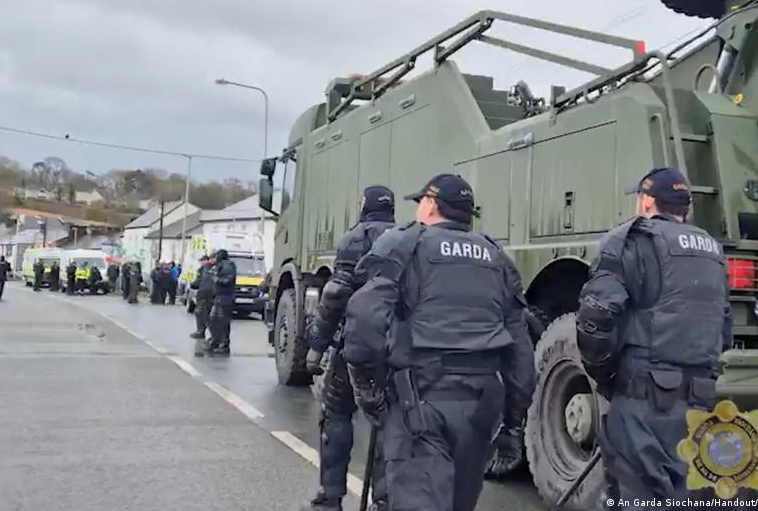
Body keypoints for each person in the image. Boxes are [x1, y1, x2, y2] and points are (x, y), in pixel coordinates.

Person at [343, 174, 535, 511]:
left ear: (430, 205)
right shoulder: (496, 257)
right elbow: (520, 352)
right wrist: (513, 423)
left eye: (420, 202)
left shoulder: (405, 244)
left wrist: (366, 387)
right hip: (481, 406)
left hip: (421, 402)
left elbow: (364, 319)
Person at [576, 167, 730, 506]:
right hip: (698, 401)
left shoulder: (632, 240)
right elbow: (723, 326)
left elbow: (596, 317)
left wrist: (604, 377)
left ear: (646, 202)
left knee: (636, 494)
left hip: (642, 401)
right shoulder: (713, 251)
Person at [300, 186, 396, 511]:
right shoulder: (409, 239)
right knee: (390, 423)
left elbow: (336, 295)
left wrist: (316, 344)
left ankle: (330, 495)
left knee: (336, 413)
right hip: (397, 349)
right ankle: (384, 500)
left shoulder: (357, 238)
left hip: (354, 345)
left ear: (364, 207)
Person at [205, 249, 236, 355]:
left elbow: (227, 280)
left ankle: (223, 343)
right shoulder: (221, 265)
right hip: (220, 296)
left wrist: (216, 279)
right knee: (214, 319)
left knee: (222, 320)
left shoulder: (227, 266)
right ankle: (216, 340)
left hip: (225, 296)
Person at [189, 255, 215, 339]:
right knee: (206, 314)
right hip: (209, 294)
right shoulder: (213, 268)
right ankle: (208, 333)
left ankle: (201, 331)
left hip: (204, 294)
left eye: (203, 261)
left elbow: (200, 281)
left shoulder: (204, 269)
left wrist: (193, 284)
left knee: (201, 313)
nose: (202, 262)